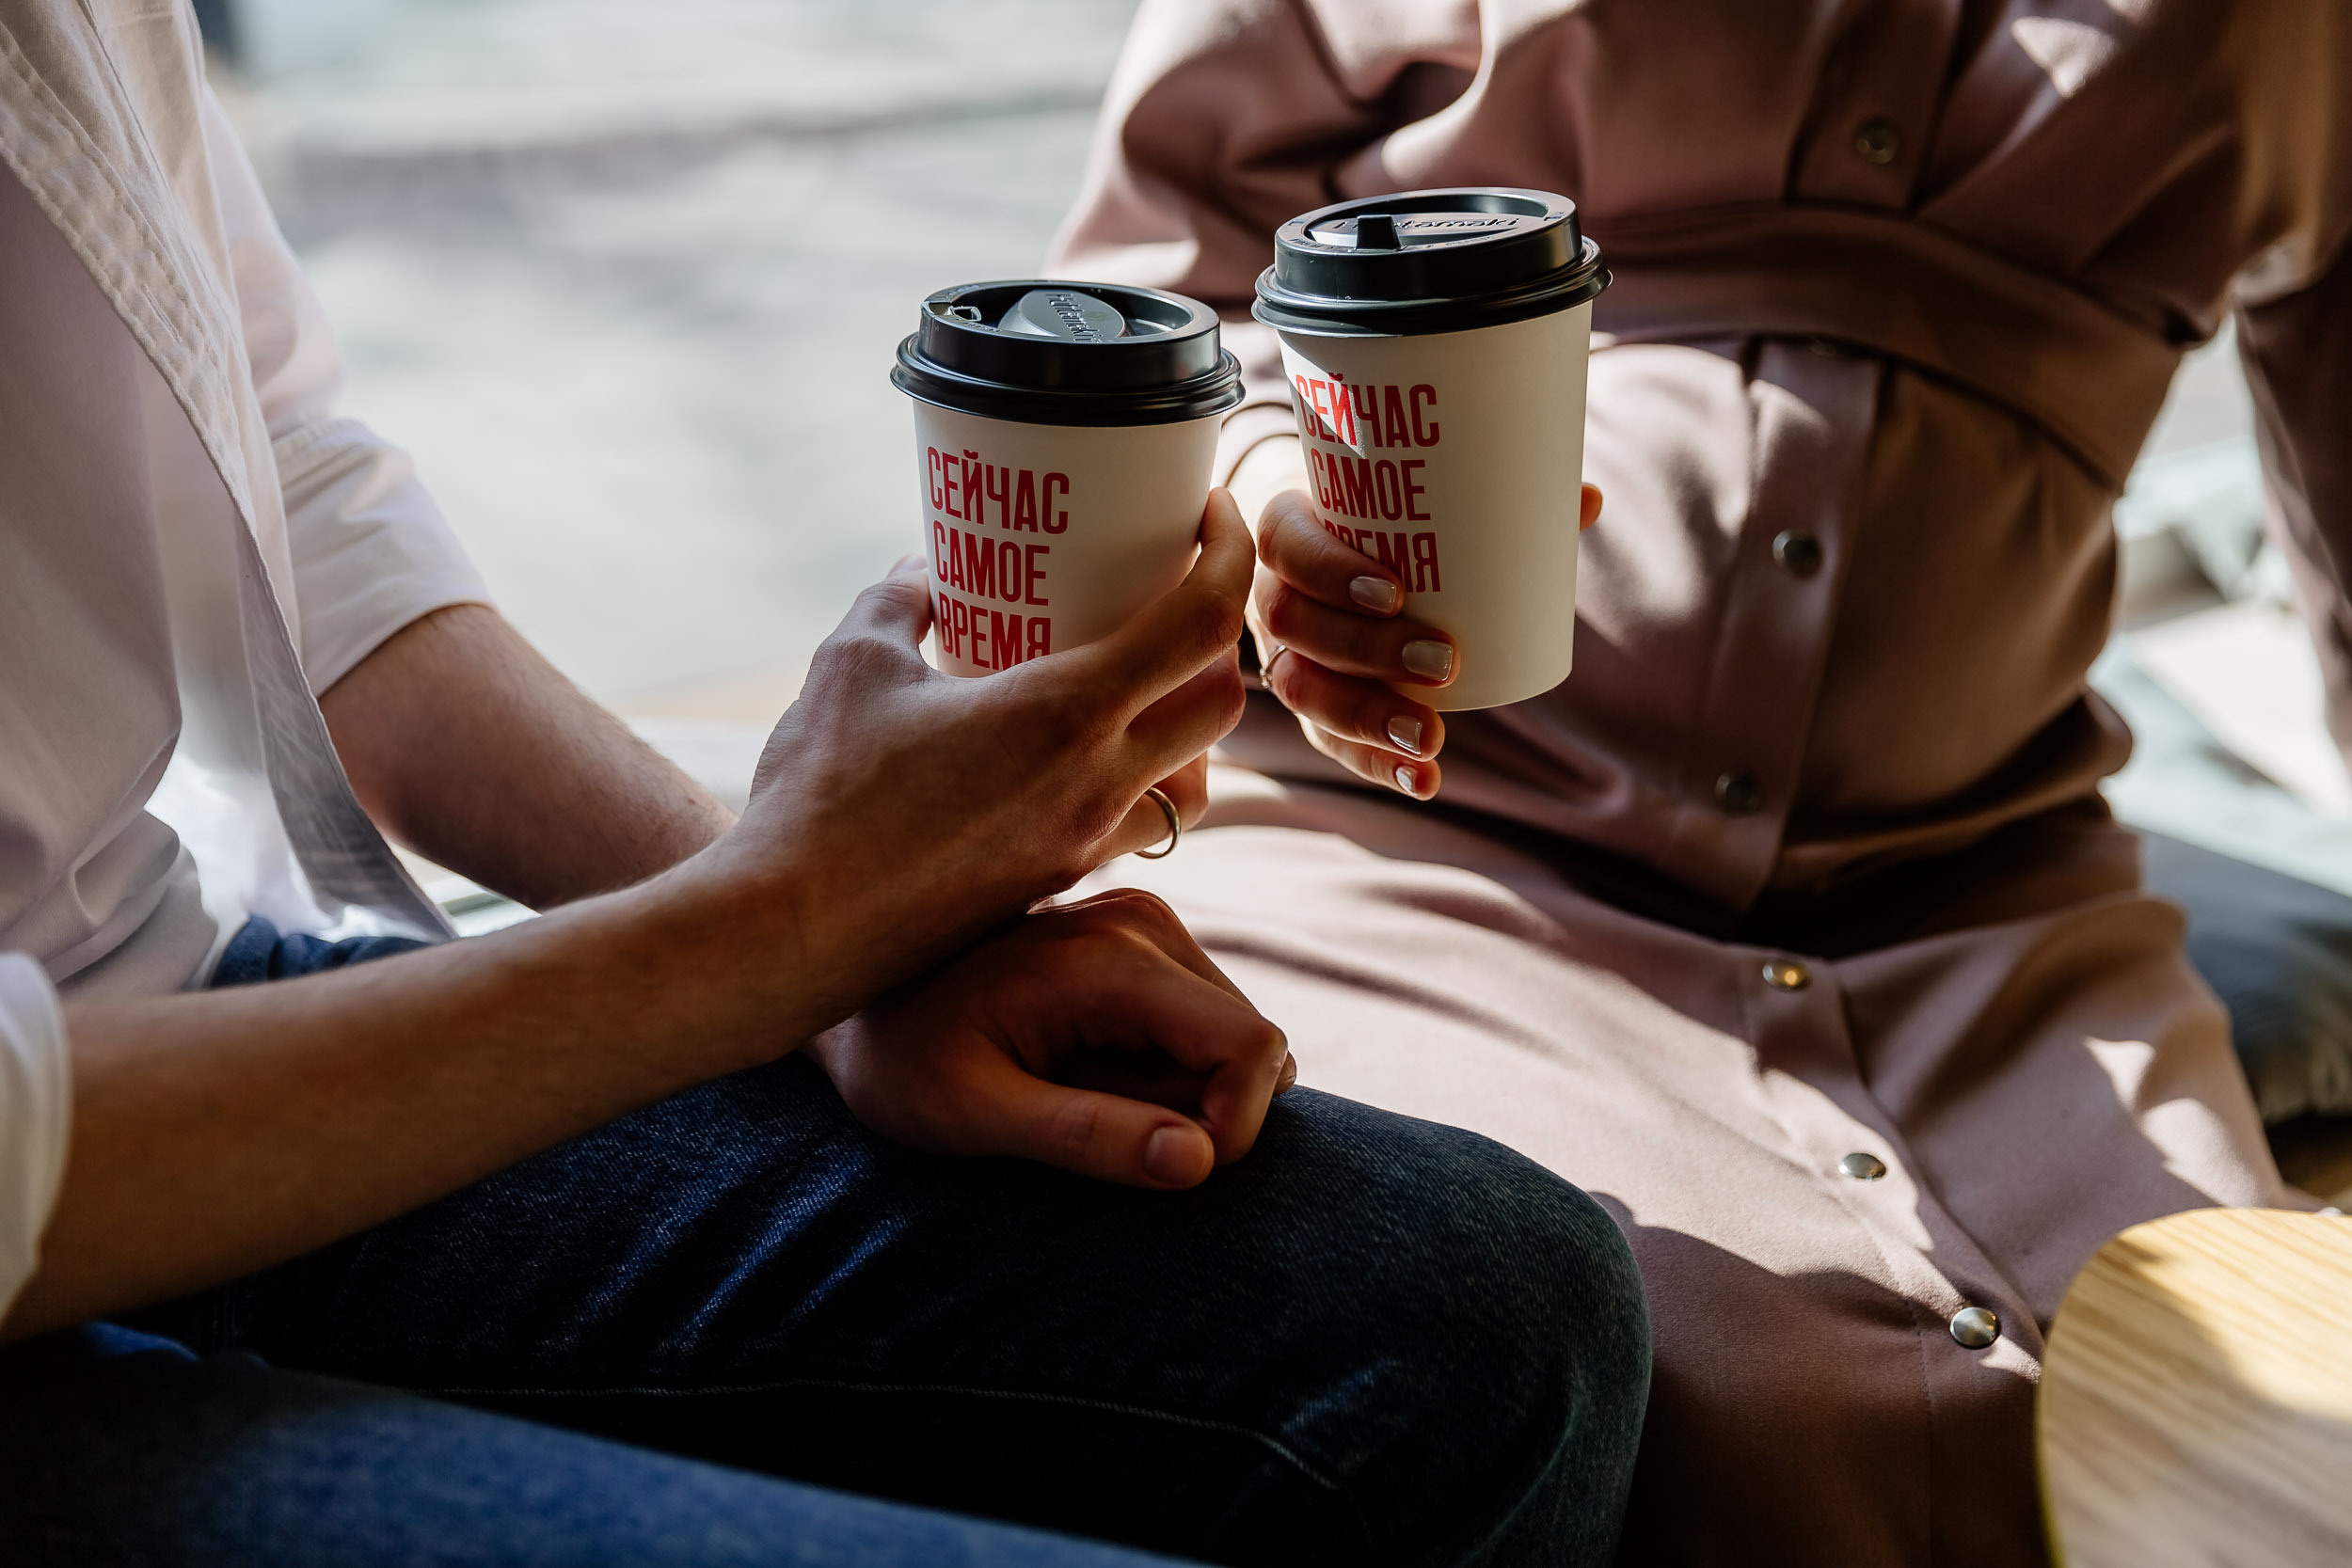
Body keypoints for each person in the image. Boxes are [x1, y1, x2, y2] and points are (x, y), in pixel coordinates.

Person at [0, 2, 1656, 1563]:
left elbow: (285, 489)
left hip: (159, 1014)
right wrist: (763, 932)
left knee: (1501, 1322)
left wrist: (850, 957)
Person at [1046, 0, 2352, 1561]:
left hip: (1988, 905)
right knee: (1675, 1394)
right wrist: (1271, 473)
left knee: (2247, 1439)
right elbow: (1120, 305)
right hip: (1412, 846)